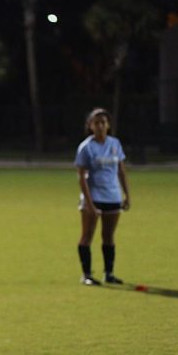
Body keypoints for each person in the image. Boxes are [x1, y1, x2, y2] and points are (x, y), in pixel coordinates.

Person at [74, 107, 131, 286]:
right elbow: (81, 178)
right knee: (87, 235)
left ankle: (109, 273)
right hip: (94, 197)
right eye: (96, 123)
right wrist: (89, 204)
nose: (100, 126)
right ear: (90, 126)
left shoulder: (115, 144)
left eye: (103, 122)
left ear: (108, 125)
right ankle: (86, 275)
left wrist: (126, 195)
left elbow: (121, 171)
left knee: (109, 236)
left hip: (112, 196)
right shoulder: (86, 147)